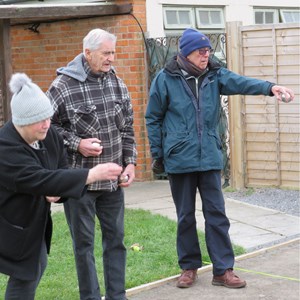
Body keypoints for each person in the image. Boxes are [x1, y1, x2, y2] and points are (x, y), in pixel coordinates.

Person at [145, 28, 294, 290]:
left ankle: (223, 270)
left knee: (217, 214)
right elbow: (153, 117)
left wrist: (271, 87)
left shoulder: (215, 75)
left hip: (210, 157)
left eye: (208, 51)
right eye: (201, 51)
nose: (206, 55)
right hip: (179, 158)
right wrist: (158, 154)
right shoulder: (164, 78)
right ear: (186, 53)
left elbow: (242, 82)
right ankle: (189, 268)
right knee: (185, 216)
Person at [0, 73, 123, 300]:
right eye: (40, 119)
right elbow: (40, 178)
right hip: (8, 223)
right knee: (26, 273)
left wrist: (58, 194)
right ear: (22, 121)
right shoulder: (5, 147)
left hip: (31, 223)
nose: (47, 124)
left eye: (48, 117)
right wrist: (92, 174)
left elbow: (59, 171)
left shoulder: (48, 135)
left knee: (36, 264)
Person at [46, 28, 137, 300]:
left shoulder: (117, 82)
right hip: (79, 183)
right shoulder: (62, 86)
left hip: (113, 182)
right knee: (83, 246)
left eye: (113, 52)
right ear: (87, 52)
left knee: (116, 242)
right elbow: (45, 129)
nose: (112, 58)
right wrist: (77, 143)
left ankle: (117, 296)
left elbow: (128, 128)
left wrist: (130, 163)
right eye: (106, 53)